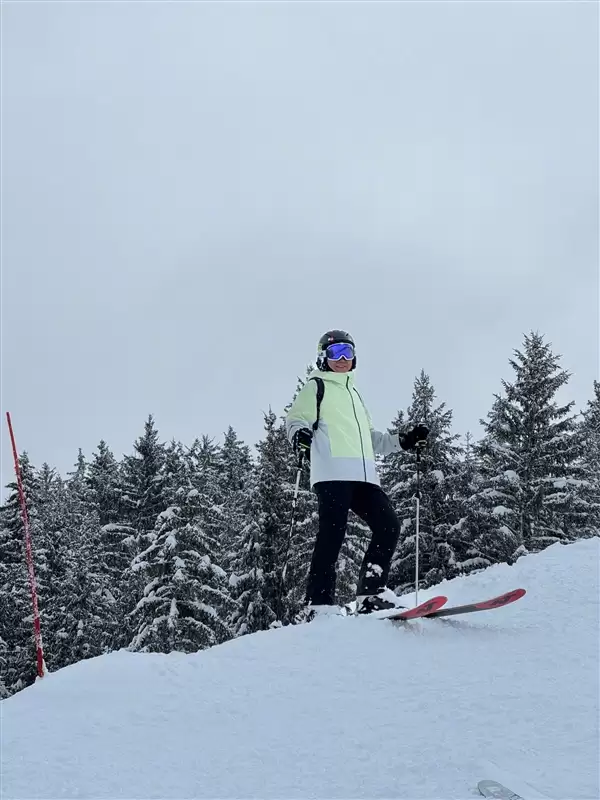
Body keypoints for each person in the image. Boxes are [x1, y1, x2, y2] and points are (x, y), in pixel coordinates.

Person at [285, 329, 429, 620]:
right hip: (332, 473)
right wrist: (299, 434)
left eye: (347, 352)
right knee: (332, 534)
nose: (342, 359)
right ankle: (320, 604)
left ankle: (371, 595)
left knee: (388, 525)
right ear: (323, 357)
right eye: (335, 352)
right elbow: (296, 418)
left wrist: (403, 441)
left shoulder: (354, 395)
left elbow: (371, 439)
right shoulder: (316, 386)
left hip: (364, 477)